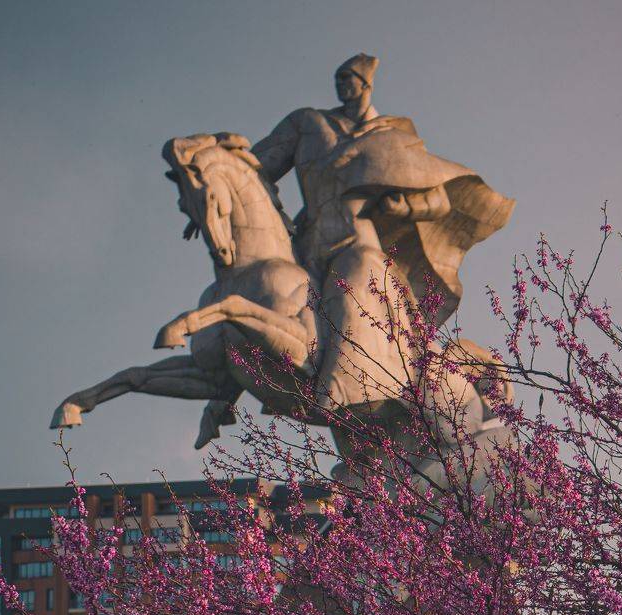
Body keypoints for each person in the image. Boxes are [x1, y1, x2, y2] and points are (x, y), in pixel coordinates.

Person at [217, 54, 513, 411]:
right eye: (338, 79)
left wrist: (404, 207)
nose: (342, 86)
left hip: (356, 244)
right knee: (266, 291)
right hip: (307, 245)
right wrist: (218, 181)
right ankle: (226, 384)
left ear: (366, 84)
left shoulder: (391, 136)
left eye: (349, 79)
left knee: (351, 296)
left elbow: (436, 200)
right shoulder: (308, 124)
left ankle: (338, 390)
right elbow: (258, 165)